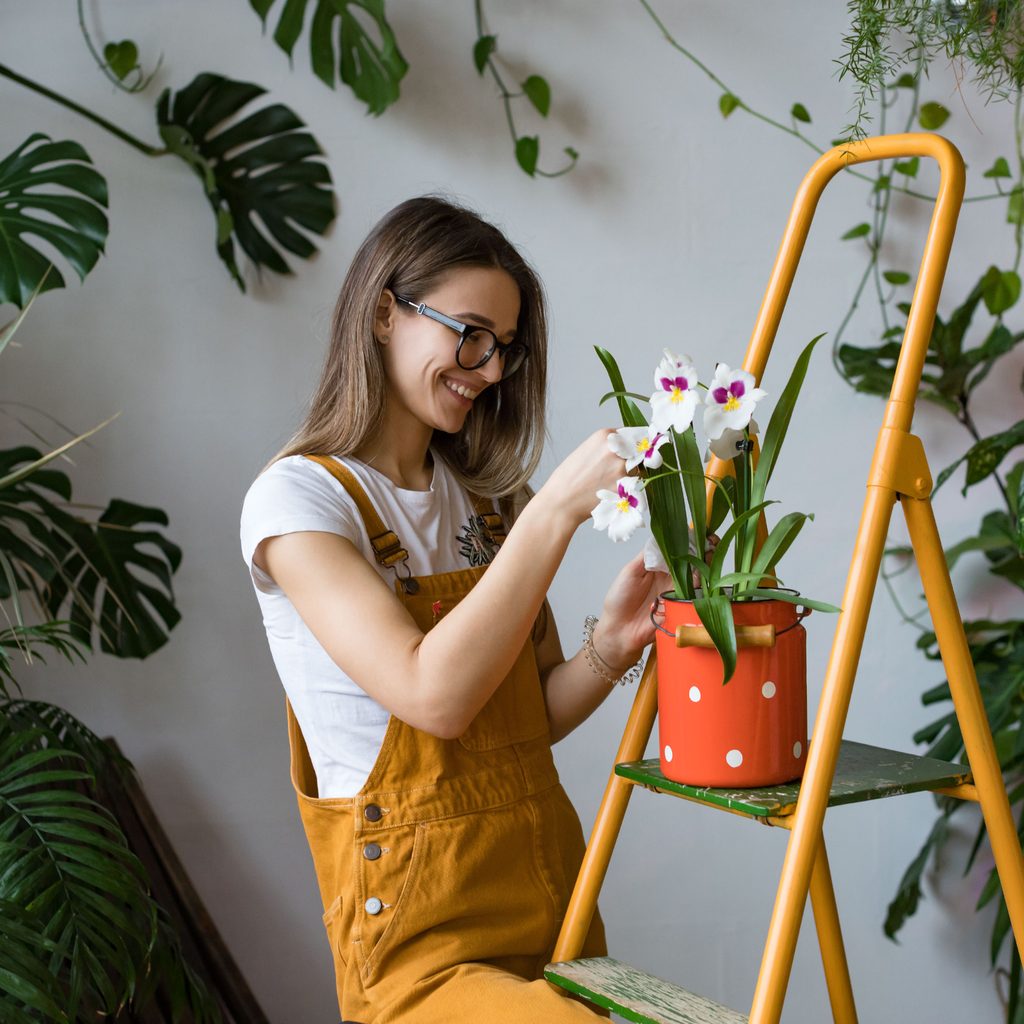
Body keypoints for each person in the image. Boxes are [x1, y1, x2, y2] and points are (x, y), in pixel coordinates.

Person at [239, 196, 669, 1023]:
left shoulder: (491, 501)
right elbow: (433, 697)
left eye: (505, 348)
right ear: (383, 315)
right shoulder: (296, 502)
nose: (492, 369)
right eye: (472, 334)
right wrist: (554, 517)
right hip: (418, 939)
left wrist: (610, 648)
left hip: (548, 893)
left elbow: (524, 719)